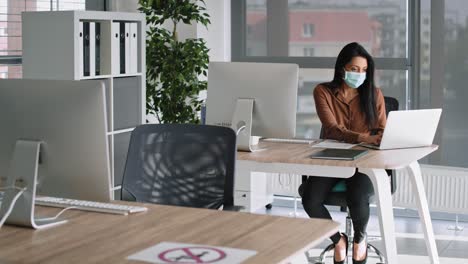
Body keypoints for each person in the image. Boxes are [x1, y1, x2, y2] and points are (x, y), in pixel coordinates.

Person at [301, 42, 387, 264]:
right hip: (332, 156)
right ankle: (338, 240)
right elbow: (331, 129)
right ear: (342, 68)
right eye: (354, 69)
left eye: (364, 70)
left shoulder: (374, 94)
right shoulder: (323, 91)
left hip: (365, 159)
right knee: (310, 200)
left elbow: (382, 131)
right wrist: (363, 137)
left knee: (357, 197)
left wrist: (372, 140)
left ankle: (360, 239)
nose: (360, 75)